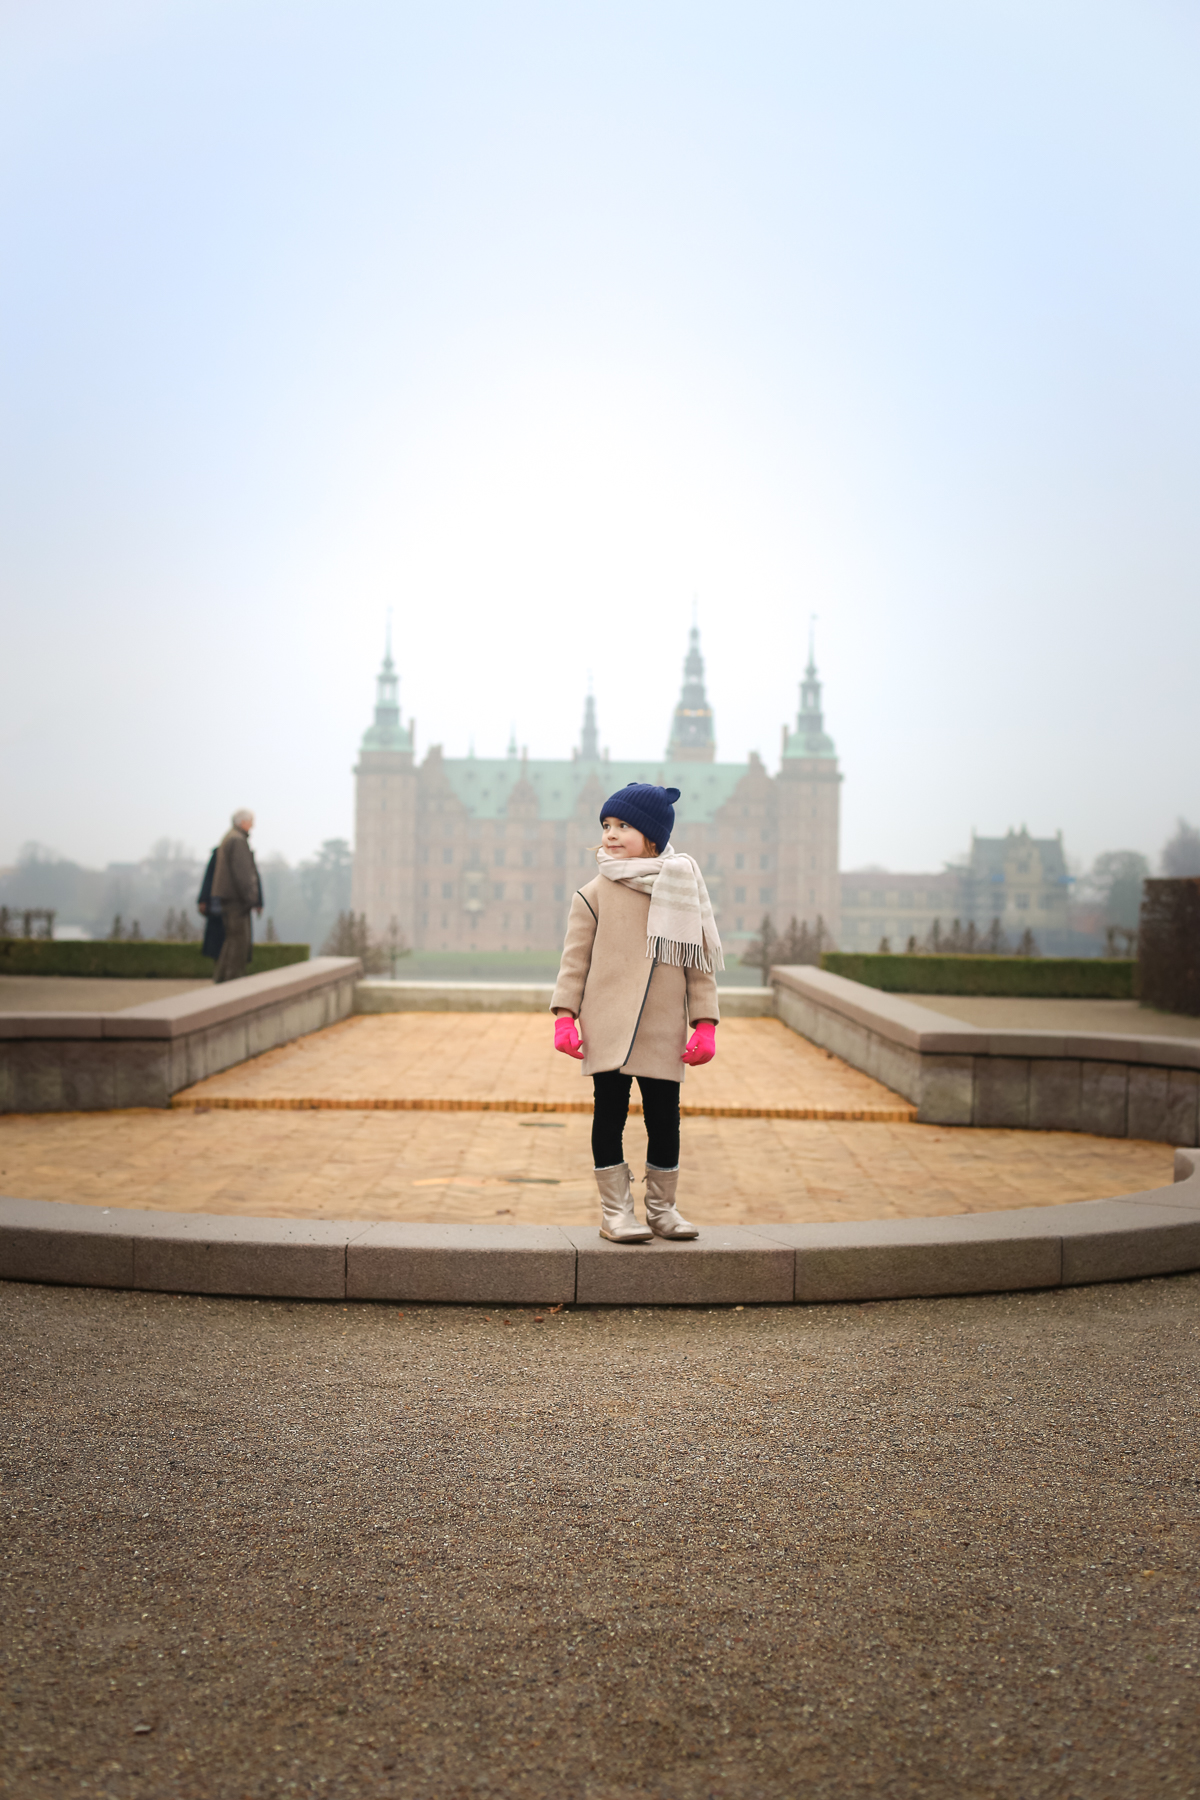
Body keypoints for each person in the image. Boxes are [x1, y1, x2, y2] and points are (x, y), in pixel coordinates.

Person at [550, 782, 722, 1243]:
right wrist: (564, 1015)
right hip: (606, 1023)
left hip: (662, 1027)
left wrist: (704, 1023)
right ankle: (616, 1213)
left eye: (623, 826)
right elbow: (574, 963)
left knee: (664, 1118)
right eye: (606, 825)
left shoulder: (681, 887)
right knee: (609, 1115)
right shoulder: (593, 894)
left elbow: (698, 962)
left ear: (652, 836)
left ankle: (663, 1210)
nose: (610, 833)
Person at [210, 809, 263, 983]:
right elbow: (242, 874)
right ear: (242, 822)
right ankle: (233, 980)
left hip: (229, 898)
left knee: (231, 939)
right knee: (239, 942)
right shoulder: (237, 840)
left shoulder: (230, 838)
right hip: (236, 900)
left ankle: (221, 978)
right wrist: (251, 898)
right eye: (251, 821)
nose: (253, 825)